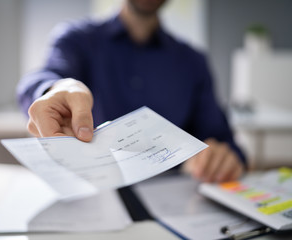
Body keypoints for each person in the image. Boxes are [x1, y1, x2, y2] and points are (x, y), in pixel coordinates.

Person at [17, 0, 246, 183]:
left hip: (175, 201)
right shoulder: (77, 40)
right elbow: (39, 80)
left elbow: (223, 140)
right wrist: (57, 88)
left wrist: (225, 159)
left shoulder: (193, 61)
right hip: (93, 192)